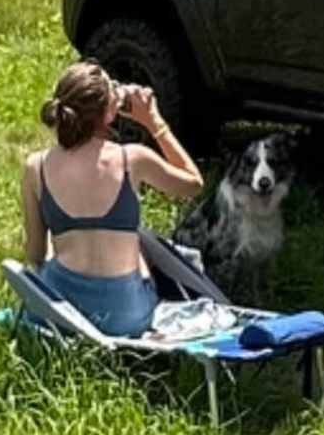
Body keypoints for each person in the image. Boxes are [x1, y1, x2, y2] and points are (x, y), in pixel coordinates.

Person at [19, 54, 202, 338]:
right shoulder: (133, 159)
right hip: (124, 317)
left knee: (65, 245)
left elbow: (35, 253)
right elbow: (193, 185)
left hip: (60, 310)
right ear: (109, 114)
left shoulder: (36, 166)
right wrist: (154, 123)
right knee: (139, 241)